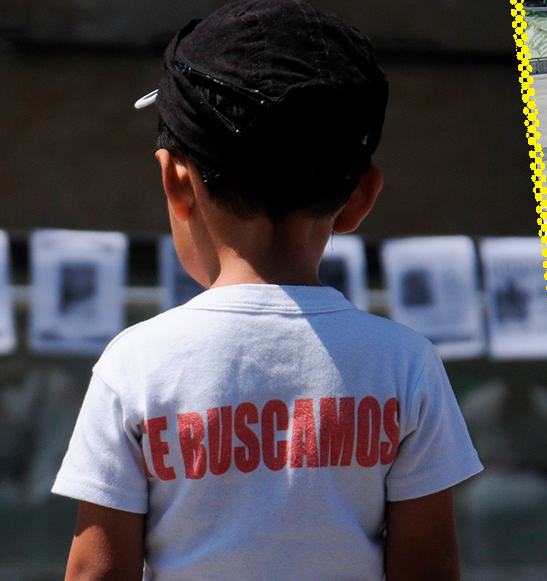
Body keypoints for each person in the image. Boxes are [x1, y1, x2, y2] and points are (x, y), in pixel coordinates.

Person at [51, 2, 482, 579]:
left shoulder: (135, 365)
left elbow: (94, 574)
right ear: (360, 197)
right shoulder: (408, 365)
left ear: (175, 182)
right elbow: (429, 569)